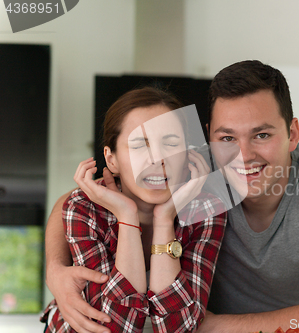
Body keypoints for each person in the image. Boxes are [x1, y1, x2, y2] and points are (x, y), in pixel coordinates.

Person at [43, 61, 299, 333]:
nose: (243, 155)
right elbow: (75, 202)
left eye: (263, 134)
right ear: (209, 136)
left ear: (292, 133)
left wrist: (211, 327)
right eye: (227, 136)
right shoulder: (195, 164)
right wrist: (55, 270)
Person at [40, 87, 227, 332]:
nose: (158, 158)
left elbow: (181, 326)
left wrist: (163, 219)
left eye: (171, 143)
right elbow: (114, 327)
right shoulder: (84, 208)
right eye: (140, 145)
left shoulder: (206, 208)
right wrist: (126, 215)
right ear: (112, 160)